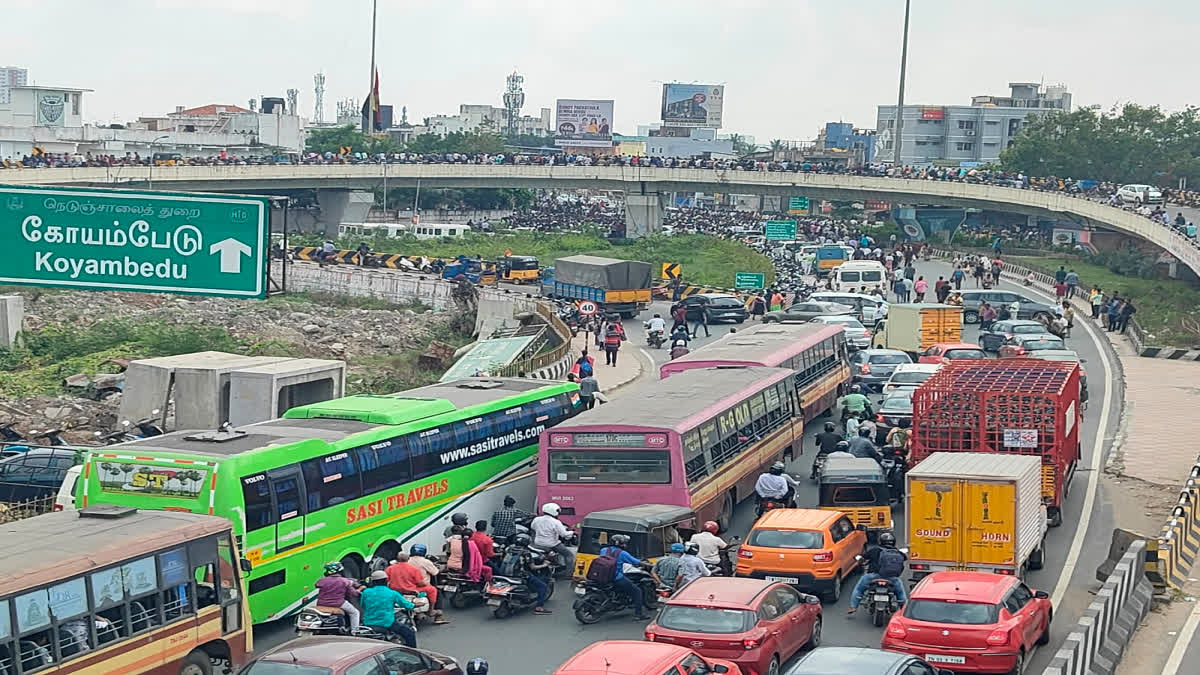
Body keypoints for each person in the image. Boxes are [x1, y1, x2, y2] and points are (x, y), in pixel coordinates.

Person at [847, 531, 908, 615]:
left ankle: (853, 607)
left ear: (880, 541)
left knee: (859, 589)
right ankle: (905, 610)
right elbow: (905, 558)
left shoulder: (874, 550)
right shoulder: (898, 552)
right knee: (900, 592)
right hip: (892, 578)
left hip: (873, 576)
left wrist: (860, 561)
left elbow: (863, 558)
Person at [498, 533, 553, 615]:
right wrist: (544, 565)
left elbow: (502, 559)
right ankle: (539, 608)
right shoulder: (526, 552)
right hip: (520, 575)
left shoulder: (509, 549)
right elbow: (532, 567)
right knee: (543, 586)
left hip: (503, 573)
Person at [599, 534, 651, 620]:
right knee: (637, 591)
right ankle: (639, 614)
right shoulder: (622, 553)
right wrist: (649, 565)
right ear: (619, 544)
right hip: (616, 577)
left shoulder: (604, 550)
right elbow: (636, 562)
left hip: (603, 576)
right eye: (623, 543)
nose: (625, 545)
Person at [361, 570, 417, 646]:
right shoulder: (392, 593)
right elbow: (407, 605)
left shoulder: (366, 592)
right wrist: (415, 605)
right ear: (386, 581)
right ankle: (413, 652)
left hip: (368, 623)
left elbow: (363, 606)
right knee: (409, 634)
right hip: (386, 623)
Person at [315, 561, 362, 634]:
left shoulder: (322, 581)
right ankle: (355, 631)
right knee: (355, 613)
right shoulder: (344, 581)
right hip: (338, 604)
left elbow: (317, 585)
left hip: (322, 603)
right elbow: (354, 593)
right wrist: (360, 589)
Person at [531, 502, 576, 575]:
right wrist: (572, 532)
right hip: (552, 544)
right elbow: (564, 534)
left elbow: (533, 527)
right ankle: (568, 573)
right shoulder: (556, 522)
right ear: (553, 511)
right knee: (569, 555)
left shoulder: (536, 519)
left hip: (538, 543)